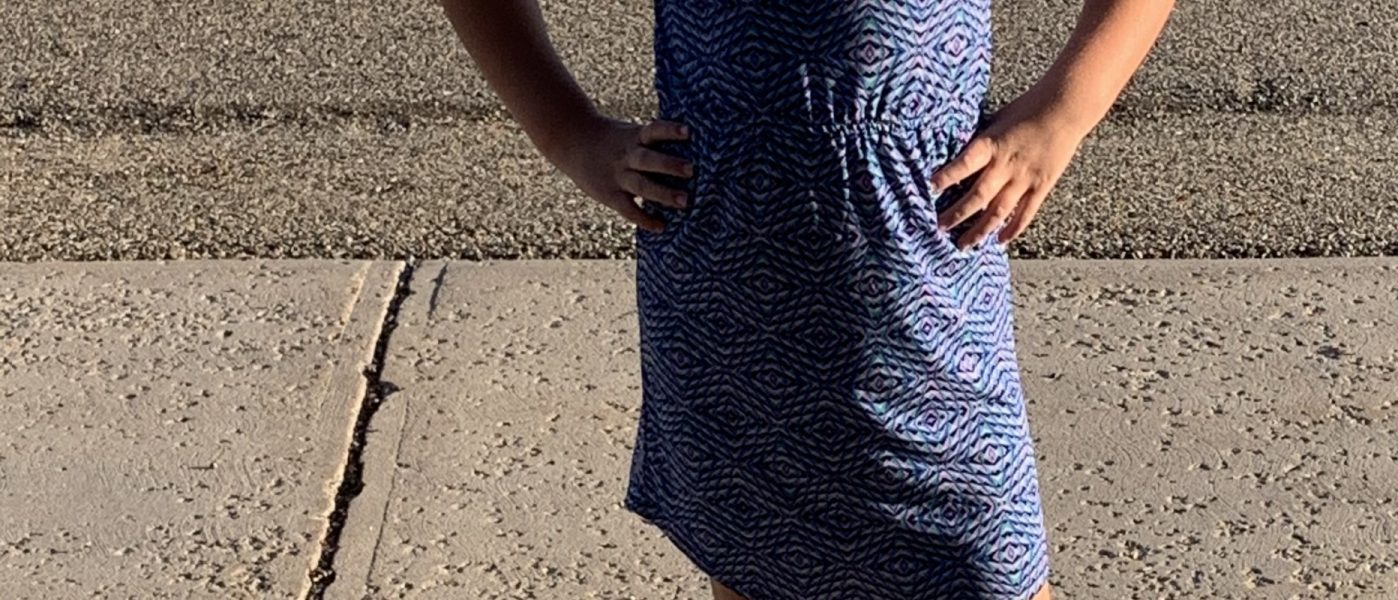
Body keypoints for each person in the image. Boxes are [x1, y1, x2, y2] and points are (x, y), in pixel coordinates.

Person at [436, 1, 1171, 598]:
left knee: (984, 570)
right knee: (759, 566)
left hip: (920, 281)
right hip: (728, 287)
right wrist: (570, 135)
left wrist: (1063, 113)